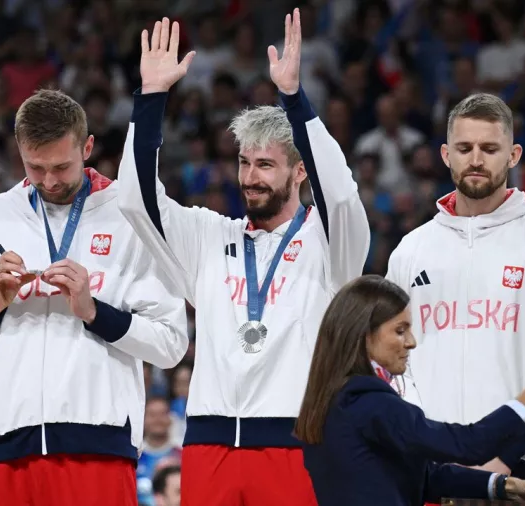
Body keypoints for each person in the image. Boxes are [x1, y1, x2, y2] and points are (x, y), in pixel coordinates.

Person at [118, 12, 369, 506]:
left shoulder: (329, 244)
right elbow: (135, 199)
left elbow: (340, 194)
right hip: (209, 445)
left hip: (295, 444)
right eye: (244, 162)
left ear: (299, 172)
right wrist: (150, 99)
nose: (250, 177)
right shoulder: (212, 238)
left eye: (266, 165)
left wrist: (296, 101)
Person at [0, 89, 188, 506]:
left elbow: (170, 345)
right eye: (35, 167)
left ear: (87, 147)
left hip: (96, 446)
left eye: (61, 166)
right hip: (0, 445)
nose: (49, 180)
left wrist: (94, 312)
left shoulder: (131, 218)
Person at [384, 93, 525, 481]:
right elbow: (392, 362)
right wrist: (421, 439)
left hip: (523, 468)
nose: (476, 159)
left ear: (513, 155)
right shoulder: (410, 250)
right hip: (431, 468)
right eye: (465, 148)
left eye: (489, 148)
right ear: (446, 154)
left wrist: (510, 454)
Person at [295, 275, 525, 506]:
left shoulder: (337, 398)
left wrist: (507, 486)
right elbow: (468, 445)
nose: (412, 342)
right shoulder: (368, 403)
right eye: (400, 330)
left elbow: (424, 477)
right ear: (364, 334)